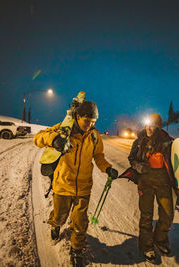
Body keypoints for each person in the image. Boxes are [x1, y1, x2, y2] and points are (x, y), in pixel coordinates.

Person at [33, 101, 118, 266]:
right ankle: (55, 225)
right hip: (63, 185)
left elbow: (98, 156)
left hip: (84, 187)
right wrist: (55, 139)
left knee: (80, 222)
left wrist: (107, 168)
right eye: (87, 121)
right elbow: (38, 137)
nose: (90, 125)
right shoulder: (64, 130)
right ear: (78, 117)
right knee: (59, 216)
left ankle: (76, 250)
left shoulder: (94, 135)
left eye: (93, 122)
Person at [128, 113, 179, 263]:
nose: (148, 128)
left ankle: (160, 239)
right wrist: (138, 166)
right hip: (146, 182)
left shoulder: (168, 142)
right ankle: (146, 246)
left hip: (163, 182)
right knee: (146, 216)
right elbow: (131, 159)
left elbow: (175, 163)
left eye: (152, 125)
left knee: (168, 214)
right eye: (147, 125)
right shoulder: (139, 141)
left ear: (158, 126)